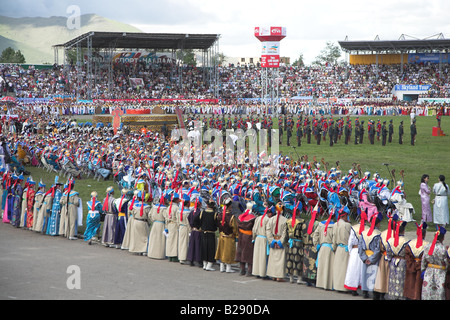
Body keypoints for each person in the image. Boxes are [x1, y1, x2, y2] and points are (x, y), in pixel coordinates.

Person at [358, 213, 383, 299]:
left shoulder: (363, 233)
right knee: (374, 274)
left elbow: (360, 247)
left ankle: (365, 291)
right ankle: (374, 293)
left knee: (365, 274)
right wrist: (372, 259)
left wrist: (364, 258)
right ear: (377, 224)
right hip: (374, 258)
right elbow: (378, 249)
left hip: (366, 256)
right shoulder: (378, 234)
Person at [421, 226, 448, 300]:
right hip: (440, 272)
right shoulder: (443, 249)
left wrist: (423, 269)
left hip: (429, 271)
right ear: (442, 238)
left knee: (428, 291)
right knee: (439, 292)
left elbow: (423, 260)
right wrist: (446, 270)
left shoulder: (427, 247)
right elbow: (446, 263)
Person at [404, 222, 428, 300]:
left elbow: (407, 255)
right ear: (424, 234)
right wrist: (419, 265)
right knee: (418, 284)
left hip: (411, 265)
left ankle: (409, 296)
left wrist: (412, 264)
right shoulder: (427, 245)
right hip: (420, 267)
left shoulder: (410, 243)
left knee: (410, 282)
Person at [386, 220, 410, 300]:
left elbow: (388, 252)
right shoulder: (406, 241)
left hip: (393, 261)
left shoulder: (390, 241)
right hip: (402, 261)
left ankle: (392, 295)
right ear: (403, 231)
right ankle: (401, 296)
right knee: (401, 280)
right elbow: (408, 253)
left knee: (393, 279)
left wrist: (390, 260)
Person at [344, 214, 366, 296]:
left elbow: (350, 241)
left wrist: (350, 251)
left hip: (355, 250)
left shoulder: (354, 228)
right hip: (364, 252)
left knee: (354, 270)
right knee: (363, 270)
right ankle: (364, 290)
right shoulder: (367, 229)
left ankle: (353, 289)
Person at [313, 210, 335, 290]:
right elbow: (335, 238)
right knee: (328, 267)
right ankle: (328, 284)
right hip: (330, 249)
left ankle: (320, 283)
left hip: (322, 247)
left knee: (322, 266)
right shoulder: (334, 226)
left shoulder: (320, 224)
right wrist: (334, 247)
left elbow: (315, 235)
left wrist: (317, 245)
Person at [215, 197, 238, 273]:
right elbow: (234, 228)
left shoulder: (219, 215)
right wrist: (236, 235)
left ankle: (222, 267)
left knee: (222, 251)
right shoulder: (231, 217)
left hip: (222, 235)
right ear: (230, 206)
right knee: (228, 252)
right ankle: (228, 267)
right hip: (229, 236)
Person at [266, 202, 288, 282]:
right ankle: (279, 276)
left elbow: (268, 231)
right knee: (280, 259)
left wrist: (272, 241)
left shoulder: (271, 219)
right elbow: (285, 233)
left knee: (273, 259)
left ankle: (273, 275)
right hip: (280, 240)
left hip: (274, 239)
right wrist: (280, 242)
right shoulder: (285, 220)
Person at [332, 207, 351, 292]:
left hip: (338, 248)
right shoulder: (347, 225)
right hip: (345, 248)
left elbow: (334, 237)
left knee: (338, 268)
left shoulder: (335, 224)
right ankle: (344, 287)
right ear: (345, 216)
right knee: (344, 269)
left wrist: (334, 247)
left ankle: (337, 286)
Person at [286, 201, 305, 284]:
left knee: (290, 259)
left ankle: (290, 277)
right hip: (298, 242)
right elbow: (303, 233)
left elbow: (286, 232)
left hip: (290, 242)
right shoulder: (302, 221)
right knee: (298, 259)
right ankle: (299, 278)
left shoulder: (288, 220)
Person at [235, 202, 256, 276]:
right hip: (248, 236)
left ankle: (242, 269)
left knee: (241, 252)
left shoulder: (240, 217)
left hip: (241, 235)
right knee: (249, 254)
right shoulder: (253, 218)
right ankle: (249, 271)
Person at [128, 190, 151, 255]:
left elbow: (132, 213)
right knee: (144, 236)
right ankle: (143, 250)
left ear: (138, 198)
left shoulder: (135, 206)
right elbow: (148, 216)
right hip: (143, 222)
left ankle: (137, 249)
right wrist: (149, 223)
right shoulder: (147, 207)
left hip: (136, 221)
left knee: (137, 236)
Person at [301, 204, 319, 286]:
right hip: (313, 246)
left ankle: (307, 279)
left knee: (306, 263)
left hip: (306, 246)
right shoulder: (318, 224)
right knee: (313, 263)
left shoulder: (305, 223)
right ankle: (313, 279)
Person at [252, 204, 271, 279]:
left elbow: (253, 230)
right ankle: (263, 273)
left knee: (257, 256)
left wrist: (253, 238)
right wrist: (270, 241)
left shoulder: (258, 218)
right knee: (263, 257)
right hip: (264, 238)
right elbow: (268, 231)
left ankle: (256, 272)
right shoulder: (268, 220)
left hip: (257, 238)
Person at [200, 198, 218, 271]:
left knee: (204, 248)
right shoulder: (215, 214)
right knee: (211, 249)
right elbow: (216, 224)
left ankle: (204, 264)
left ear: (207, 205)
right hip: (211, 233)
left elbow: (197, 221)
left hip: (203, 232)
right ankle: (209, 265)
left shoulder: (202, 213)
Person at [147, 194, 167, 260]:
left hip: (155, 224)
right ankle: (159, 254)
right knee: (160, 240)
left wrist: (153, 220)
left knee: (154, 239)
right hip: (161, 225)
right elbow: (166, 218)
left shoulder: (154, 207)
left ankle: (152, 253)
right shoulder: (164, 209)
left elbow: (149, 214)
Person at [164, 191, 180, 262]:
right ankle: (173, 256)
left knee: (170, 240)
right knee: (174, 240)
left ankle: (169, 255)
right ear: (176, 200)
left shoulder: (168, 207)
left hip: (169, 224)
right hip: (174, 224)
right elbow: (178, 218)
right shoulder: (176, 208)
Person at [176, 194, 192, 265]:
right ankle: (183, 258)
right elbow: (188, 223)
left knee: (181, 242)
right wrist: (190, 230)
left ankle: (180, 257)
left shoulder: (179, 211)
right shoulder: (188, 212)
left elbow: (177, 220)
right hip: (185, 228)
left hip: (180, 227)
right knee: (185, 243)